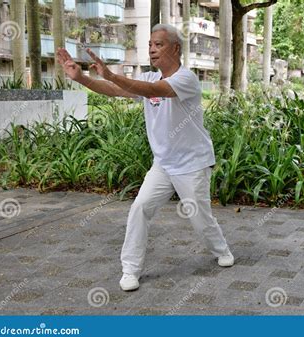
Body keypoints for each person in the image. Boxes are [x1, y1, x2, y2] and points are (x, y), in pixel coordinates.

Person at [56, 24, 234, 292]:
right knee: (140, 208)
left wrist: (113, 75)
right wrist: (82, 78)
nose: (152, 49)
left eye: (158, 44)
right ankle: (130, 269)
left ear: (175, 48)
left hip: (192, 164)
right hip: (163, 164)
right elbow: (117, 90)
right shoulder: (149, 80)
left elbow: (153, 91)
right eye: (150, 44)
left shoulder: (186, 79)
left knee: (199, 218)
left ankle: (221, 248)